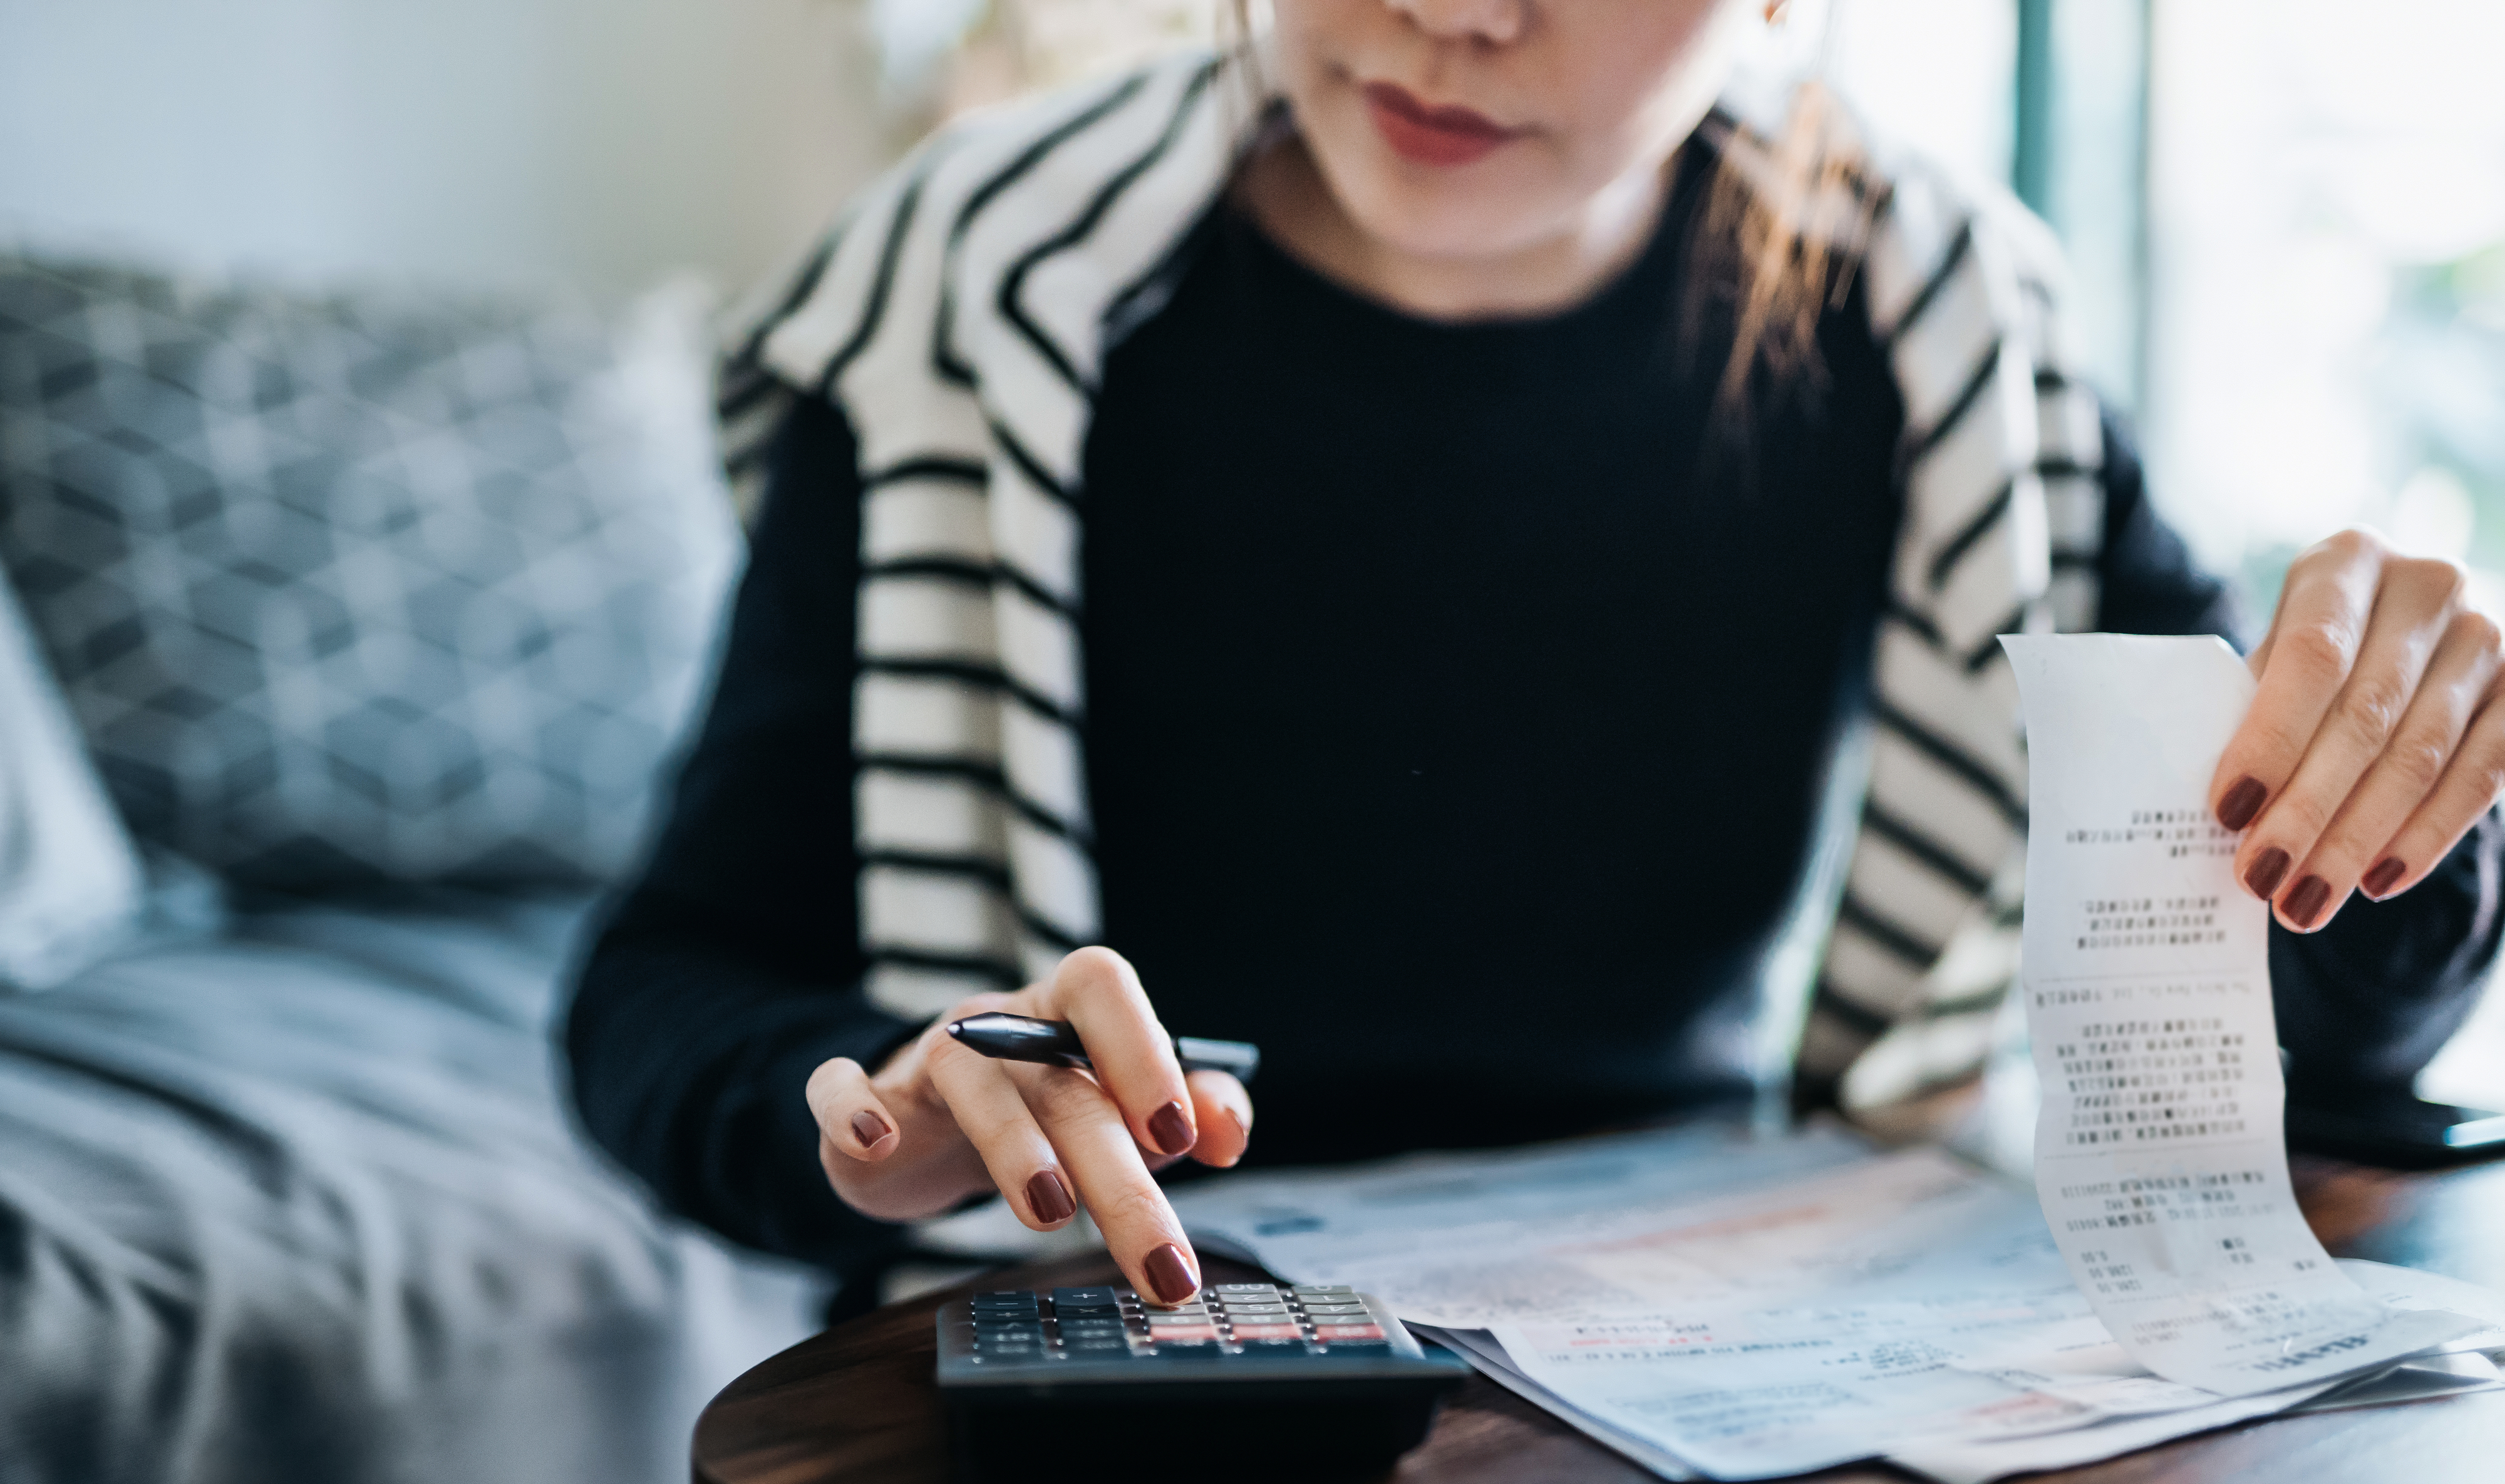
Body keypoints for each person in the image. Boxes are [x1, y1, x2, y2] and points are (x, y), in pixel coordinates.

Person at [566, 0, 2505, 1312]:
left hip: (1709, 1389)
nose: (1461, 7)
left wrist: (2402, 780)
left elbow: (2310, 1023)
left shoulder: (1947, 334)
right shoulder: (953, 313)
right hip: (1138, 1443)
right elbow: (661, 988)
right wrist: (890, 1126)